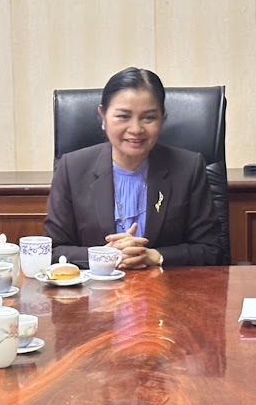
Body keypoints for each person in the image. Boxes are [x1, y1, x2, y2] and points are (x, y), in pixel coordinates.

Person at [44, 67, 223, 269]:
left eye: (149, 118)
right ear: (103, 116)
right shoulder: (72, 168)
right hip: (95, 294)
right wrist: (104, 255)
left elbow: (211, 250)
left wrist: (155, 256)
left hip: (167, 292)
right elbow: (53, 250)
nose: (136, 129)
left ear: (162, 119)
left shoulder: (188, 168)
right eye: (123, 116)